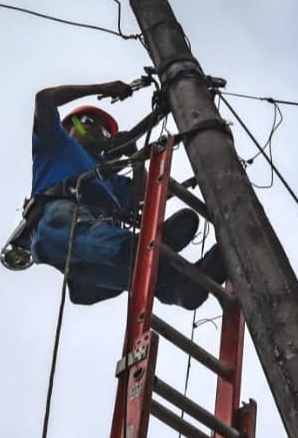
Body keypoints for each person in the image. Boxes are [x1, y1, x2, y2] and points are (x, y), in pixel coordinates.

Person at [29, 79, 227, 308]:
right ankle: (149, 247)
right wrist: (100, 88)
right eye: (88, 122)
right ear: (68, 127)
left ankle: (181, 287)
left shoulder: (106, 173)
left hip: (92, 246)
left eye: (104, 130)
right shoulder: (55, 143)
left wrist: (134, 160)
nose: (98, 131)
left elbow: (138, 194)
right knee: (120, 246)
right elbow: (44, 99)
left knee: (139, 273)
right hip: (60, 220)